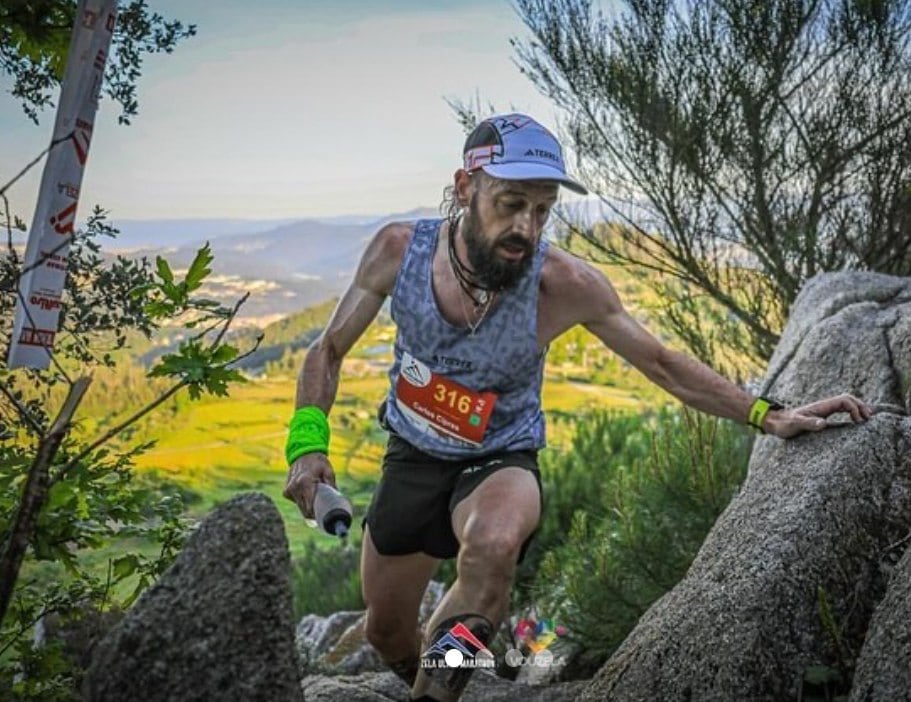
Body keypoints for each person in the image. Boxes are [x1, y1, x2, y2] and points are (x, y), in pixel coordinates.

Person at [282, 113, 873, 702]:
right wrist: (306, 448)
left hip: (500, 460)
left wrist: (767, 414)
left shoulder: (563, 284)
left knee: (494, 546)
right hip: (412, 455)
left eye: (542, 211)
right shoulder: (397, 251)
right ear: (465, 188)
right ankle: (427, 678)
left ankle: (437, 690)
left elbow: (663, 363)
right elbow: (328, 350)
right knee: (385, 632)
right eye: (511, 203)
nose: (526, 227)